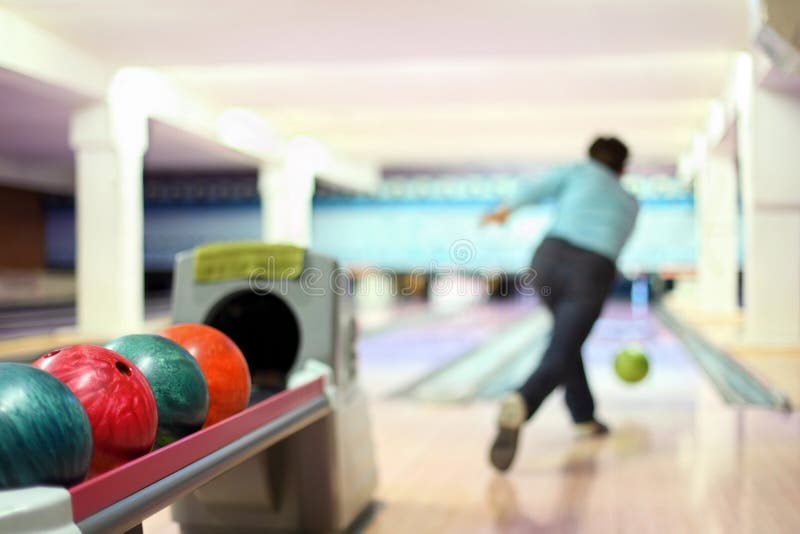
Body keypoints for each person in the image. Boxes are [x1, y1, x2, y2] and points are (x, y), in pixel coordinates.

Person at [481, 136, 639, 472]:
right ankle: (523, 400)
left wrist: (502, 212)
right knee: (565, 344)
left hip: (547, 260)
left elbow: (532, 191)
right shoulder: (630, 203)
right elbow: (617, 243)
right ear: (623, 168)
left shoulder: (579, 172)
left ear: (590, 157)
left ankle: (583, 416)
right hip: (592, 269)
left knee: (566, 343)